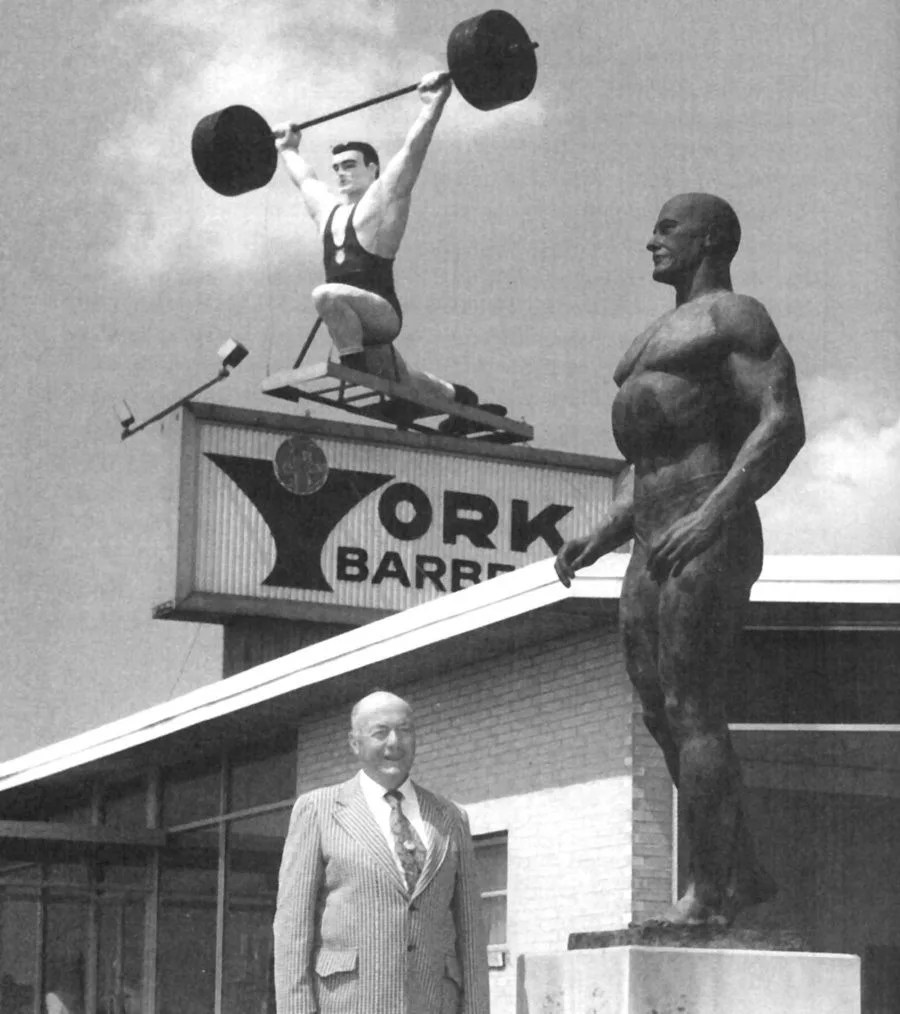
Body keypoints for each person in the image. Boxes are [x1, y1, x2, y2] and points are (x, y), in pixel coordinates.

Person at [555, 193, 806, 927]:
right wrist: (600, 534)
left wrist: (711, 515)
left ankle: (707, 896)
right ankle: (743, 869)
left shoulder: (736, 317)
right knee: (659, 712)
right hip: (653, 536)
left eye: (667, 229)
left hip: (710, 530)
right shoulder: (651, 336)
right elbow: (650, 459)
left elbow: (782, 423)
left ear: (708, 239)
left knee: (694, 708)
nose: (651, 242)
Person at [274, 74, 480, 418]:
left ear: (373, 169)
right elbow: (305, 179)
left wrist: (433, 104)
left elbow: (412, 154)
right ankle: (460, 396)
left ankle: (354, 368)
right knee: (409, 381)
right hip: (354, 322)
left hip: (382, 314)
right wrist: (287, 148)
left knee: (324, 295)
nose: (341, 173)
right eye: (337, 168)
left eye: (350, 165)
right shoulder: (328, 213)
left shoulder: (380, 204)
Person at [273, 691, 489, 1014]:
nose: (394, 743)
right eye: (380, 732)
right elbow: (292, 935)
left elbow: (470, 936)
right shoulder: (318, 811)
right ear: (354, 742)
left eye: (405, 730)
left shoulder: (451, 817)